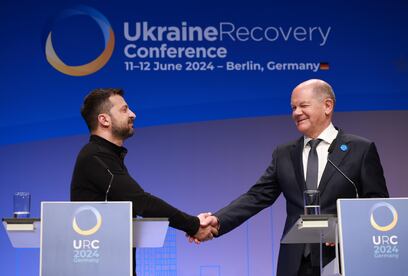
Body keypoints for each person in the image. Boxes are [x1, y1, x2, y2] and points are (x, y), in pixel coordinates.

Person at [193, 79, 389, 276]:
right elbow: (257, 196)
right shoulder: (284, 154)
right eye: (293, 107)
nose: (296, 113)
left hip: (343, 259)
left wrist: (347, 227)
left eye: (303, 105)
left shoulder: (360, 149)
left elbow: (377, 204)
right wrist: (217, 222)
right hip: (295, 263)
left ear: (327, 106)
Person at [70, 88, 217, 275]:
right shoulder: (95, 156)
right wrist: (194, 225)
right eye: (124, 110)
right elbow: (141, 202)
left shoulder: (106, 157)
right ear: (104, 120)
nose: (133, 114)